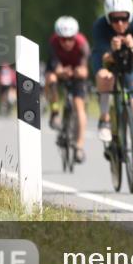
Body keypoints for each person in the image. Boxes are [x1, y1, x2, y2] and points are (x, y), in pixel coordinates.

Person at [92, 0, 133, 182]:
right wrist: (113, 49)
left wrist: (132, 48)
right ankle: (105, 119)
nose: (119, 24)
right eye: (114, 19)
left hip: (130, 63)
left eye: (123, 19)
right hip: (109, 62)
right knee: (104, 76)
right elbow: (103, 57)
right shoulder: (100, 26)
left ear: (130, 16)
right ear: (107, 17)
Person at [46, 15, 91, 162]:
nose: (67, 42)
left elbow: (85, 68)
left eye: (70, 38)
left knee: (79, 107)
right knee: (50, 79)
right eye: (63, 39)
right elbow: (55, 65)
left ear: (75, 36)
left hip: (77, 72)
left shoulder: (82, 43)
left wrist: (79, 71)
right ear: (58, 37)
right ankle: (54, 111)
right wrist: (60, 71)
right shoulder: (53, 42)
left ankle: (79, 147)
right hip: (60, 70)